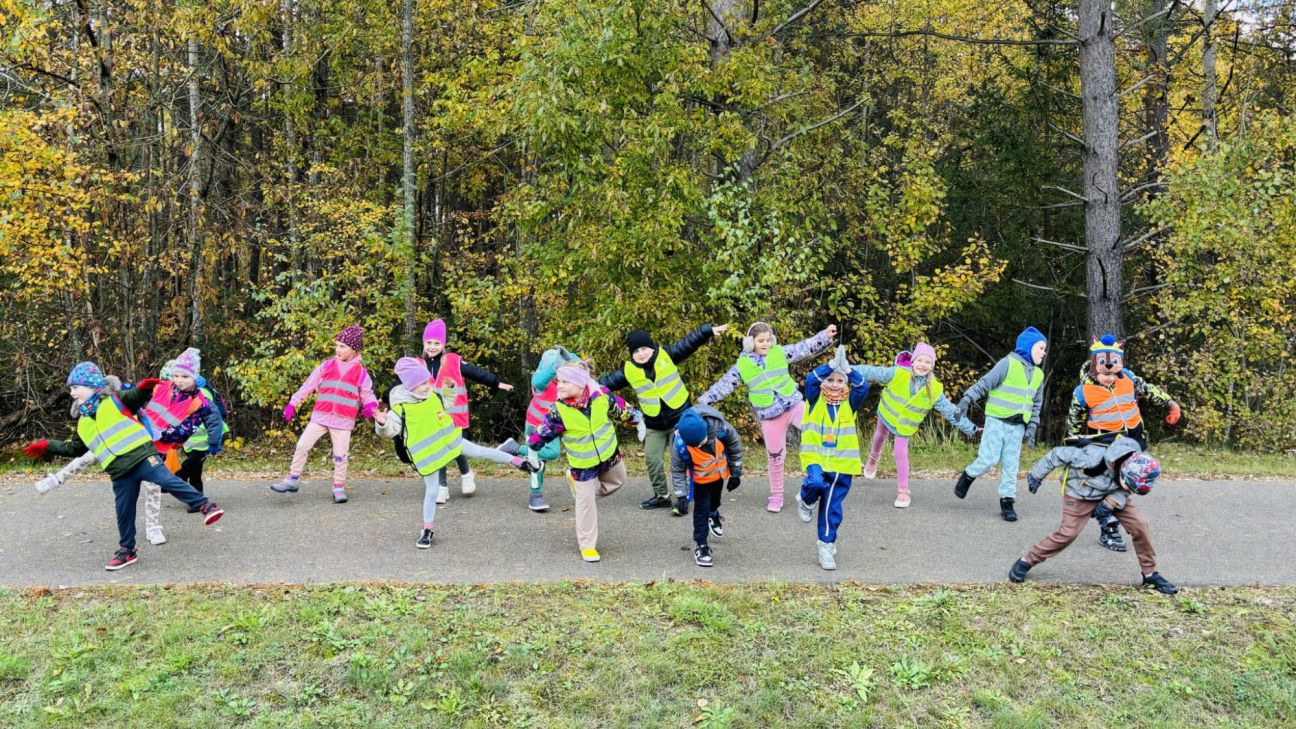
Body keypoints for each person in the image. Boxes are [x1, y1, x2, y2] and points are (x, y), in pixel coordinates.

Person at [21, 362, 225, 571]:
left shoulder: (115, 400)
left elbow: (135, 396)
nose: (72, 393)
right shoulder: (83, 422)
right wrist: (48, 446)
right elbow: (75, 448)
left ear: (92, 386)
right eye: (71, 389)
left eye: (75, 387)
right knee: (123, 510)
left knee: (166, 480)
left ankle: (206, 506)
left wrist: (144, 387)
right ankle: (127, 550)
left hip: (142, 456)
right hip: (119, 471)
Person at [375, 357, 538, 549]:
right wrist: (382, 423)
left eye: (427, 381)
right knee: (432, 492)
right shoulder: (400, 408)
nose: (427, 386)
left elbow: (448, 403)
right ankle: (427, 530)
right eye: (421, 384)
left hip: (451, 441)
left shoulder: (433, 395)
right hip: (429, 456)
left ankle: (519, 462)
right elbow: (390, 431)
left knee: (481, 451)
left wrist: (449, 389)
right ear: (409, 386)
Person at [1009, 436, 1177, 595]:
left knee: (1140, 525)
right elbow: (1057, 454)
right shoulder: (1091, 457)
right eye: (1130, 488)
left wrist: (1110, 503)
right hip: (1079, 492)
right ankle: (1027, 560)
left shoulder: (1141, 464)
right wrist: (1036, 475)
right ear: (1123, 472)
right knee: (1067, 533)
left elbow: (1125, 490)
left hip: (1111, 492)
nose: (1131, 492)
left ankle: (1150, 574)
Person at [699, 322, 836, 512]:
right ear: (750, 342)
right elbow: (724, 385)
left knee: (821, 432)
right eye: (760, 341)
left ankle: (819, 482)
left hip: (794, 406)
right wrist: (702, 402)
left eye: (768, 340)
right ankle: (776, 496)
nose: (765, 344)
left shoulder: (779, 352)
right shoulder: (742, 365)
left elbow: (803, 348)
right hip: (770, 416)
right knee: (775, 457)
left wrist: (824, 336)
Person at [598, 324, 729, 512]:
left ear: (652, 347)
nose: (641, 354)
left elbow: (688, 343)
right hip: (654, 424)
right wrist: (581, 383)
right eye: (636, 351)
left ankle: (684, 496)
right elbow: (605, 383)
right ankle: (662, 496)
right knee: (652, 460)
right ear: (631, 354)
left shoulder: (667, 354)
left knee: (682, 457)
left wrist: (707, 331)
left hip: (680, 419)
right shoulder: (628, 370)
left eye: (644, 348)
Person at [527, 362, 643, 562]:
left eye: (565, 382)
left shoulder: (601, 395)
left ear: (580, 385)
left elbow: (621, 409)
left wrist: (638, 420)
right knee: (585, 503)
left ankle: (584, 493)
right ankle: (588, 546)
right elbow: (544, 432)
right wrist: (532, 449)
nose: (559, 386)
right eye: (559, 381)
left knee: (619, 481)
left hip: (609, 456)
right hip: (582, 465)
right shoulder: (558, 410)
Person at [855, 343, 978, 508]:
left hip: (905, 426)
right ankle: (873, 459)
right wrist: (846, 369)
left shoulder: (934, 388)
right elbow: (872, 372)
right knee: (879, 436)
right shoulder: (897, 373)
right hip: (886, 414)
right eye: (920, 360)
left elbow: (950, 410)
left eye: (928, 362)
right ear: (912, 361)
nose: (923, 365)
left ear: (932, 366)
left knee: (900, 453)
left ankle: (903, 490)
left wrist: (970, 427)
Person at [274, 325, 378, 503]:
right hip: (321, 417)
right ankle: (292, 478)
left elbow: (367, 393)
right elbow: (308, 386)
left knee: (340, 455)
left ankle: (338, 486)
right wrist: (293, 403)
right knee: (302, 445)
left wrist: (371, 406)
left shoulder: (360, 372)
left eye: (342, 346)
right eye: (336, 345)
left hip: (343, 421)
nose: (338, 350)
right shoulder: (327, 366)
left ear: (354, 349)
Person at [953, 327, 1048, 521]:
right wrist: (966, 399)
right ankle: (969, 475)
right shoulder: (1008, 364)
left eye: (1044, 349)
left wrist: (1032, 427)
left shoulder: (1038, 375)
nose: (1044, 353)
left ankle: (1007, 502)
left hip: (1018, 427)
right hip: (996, 421)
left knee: (1011, 466)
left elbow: (1036, 403)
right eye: (1041, 348)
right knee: (988, 460)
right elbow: (985, 383)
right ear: (1028, 347)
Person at [419, 319, 516, 503]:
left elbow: (476, 373)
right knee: (439, 451)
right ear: (423, 343)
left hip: (454, 416)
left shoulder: (454, 361)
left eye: (437, 343)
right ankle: (442, 487)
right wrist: (384, 399)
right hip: (432, 419)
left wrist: (497, 383)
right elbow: (401, 383)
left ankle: (466, 474)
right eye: (429, 343)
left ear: (443, 344)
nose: (432, 347)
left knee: (456, 448)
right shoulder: (418, 364)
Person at [795, 346, 868, 570]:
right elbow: (809, 380)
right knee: (815, 483)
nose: (835, 385)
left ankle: (826, 545)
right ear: (824, 383)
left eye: (840, 381)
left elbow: (863, 386)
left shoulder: (850, 403)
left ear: (846, 385)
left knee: (831, 508)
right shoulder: (814, 399)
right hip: (816, 457)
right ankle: (805, 499)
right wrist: (828, 366)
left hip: (841, 464)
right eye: (830, 380)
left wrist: (847, 368)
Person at [670, 407, 743, 567]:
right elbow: (677, 469)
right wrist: (681, 495)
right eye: (694, 445)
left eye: (700, 442)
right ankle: (701, 545)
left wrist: (736, 474)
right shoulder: (679, 443)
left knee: (714, 502)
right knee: (701, 508)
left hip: (719, 475)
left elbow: (735, 447)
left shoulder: (722, 429)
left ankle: (714, 514)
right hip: (700, 480)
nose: (699, 446)